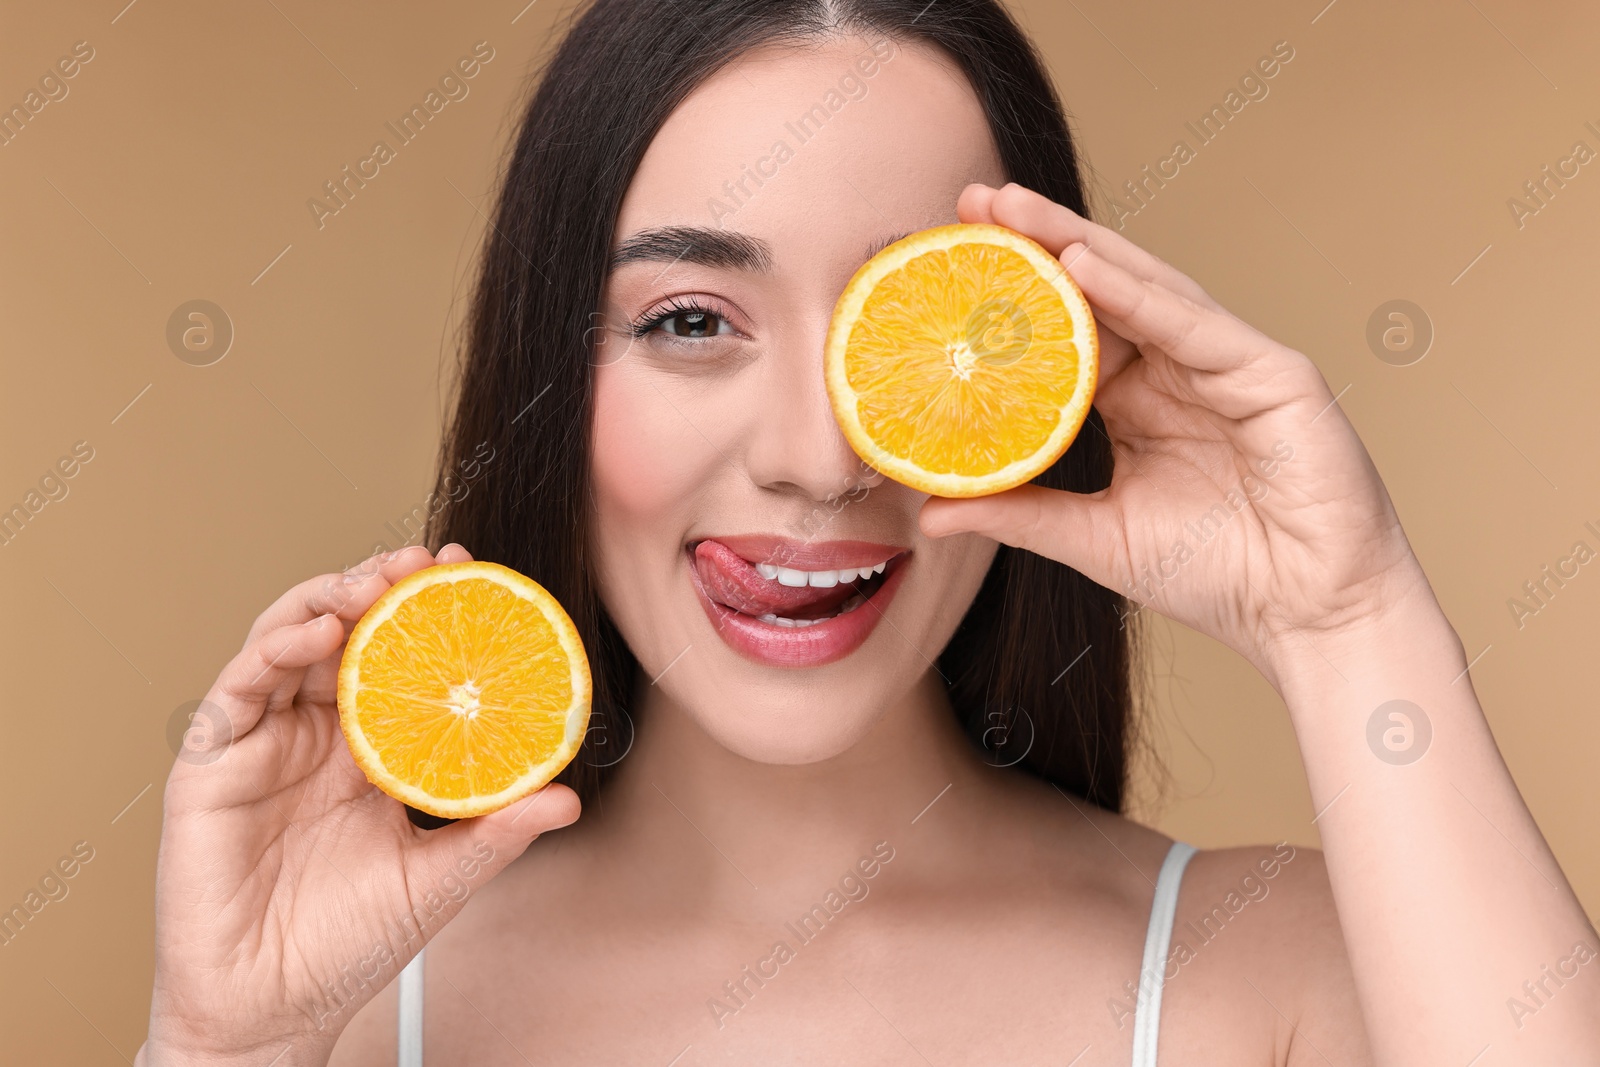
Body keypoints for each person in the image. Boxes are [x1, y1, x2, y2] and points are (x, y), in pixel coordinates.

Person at [136, 1, 1600, 1064]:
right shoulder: (348, 1006)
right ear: (548, 372)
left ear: (1043, 371)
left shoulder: (1265, 974)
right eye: (692, 321)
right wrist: (221, 1046)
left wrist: (1350, 622)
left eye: (912, 332)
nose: (817, 458)